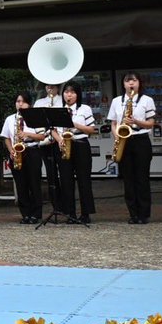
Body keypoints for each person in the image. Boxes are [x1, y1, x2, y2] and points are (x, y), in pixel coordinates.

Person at [108, 72, 156, 224]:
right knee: (128, 179)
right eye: (127, 81)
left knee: (142, 178)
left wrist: (135, 121)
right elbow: (113, 123)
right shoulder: (117, 101)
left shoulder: (147, 100)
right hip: (124, 140)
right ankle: (133, 214)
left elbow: (151, 123)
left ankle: (144, 214)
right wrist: (117, 137)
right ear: (123, 84)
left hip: (141, 139)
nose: (131, 84)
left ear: (139, 83)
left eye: (134, 81)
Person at [1, 92, 44, 224]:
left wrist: (27, 134)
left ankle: (36, 214)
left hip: (32, 150)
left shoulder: (35, 117)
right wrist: (11, 150)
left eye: (23, 102)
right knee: (21, 185)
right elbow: (6, 137)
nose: (20, 104)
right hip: (17, 152)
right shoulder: (10, 119)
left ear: (29, 104)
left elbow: (42, 136)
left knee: (34, 183)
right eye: (18, 101)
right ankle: (25, 213)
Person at [57, 82, 97, 224]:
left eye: (72, 92)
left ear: (78, 95)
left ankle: (86, 213)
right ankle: (70, 213)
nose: (69, 95)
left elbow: (91, 129)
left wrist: (75, 124)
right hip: (64, 145)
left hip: (80, 143)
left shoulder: (84, 109)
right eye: (66, 92)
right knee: (66, 180)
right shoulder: (59, 109)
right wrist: (59, 140)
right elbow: (53, 129)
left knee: (84, 180)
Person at [33, 84, 64, 214]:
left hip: (61, 140)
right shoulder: (39, 102)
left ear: (57, 87)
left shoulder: (62, 100)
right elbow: (35, 121)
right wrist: (44, 134)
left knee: (64, 173)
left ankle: (67, 205)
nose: (49, 88)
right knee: (51, 175)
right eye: (47, 86)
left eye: (52, 86)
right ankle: (56, 206)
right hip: (46, 141)